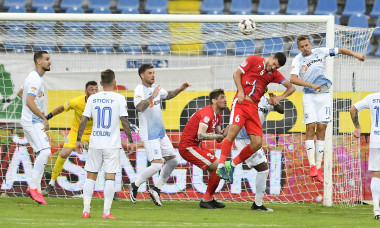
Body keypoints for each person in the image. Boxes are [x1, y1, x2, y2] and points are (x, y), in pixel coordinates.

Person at [290, 35, 365, 183]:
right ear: (298, 48)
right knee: (310, 127)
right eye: (302, 46)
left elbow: (340, 50)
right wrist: (311, 85)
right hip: (309, 96)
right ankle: (312, 165)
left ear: (310, 44)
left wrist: (356, 54)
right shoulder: (297, 59)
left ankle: (318, 168)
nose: (305, 48)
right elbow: (292, 79)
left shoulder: (320, 51)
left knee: (322, 130)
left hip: (324, 96)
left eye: (306, 45)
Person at [217, 52, 295, 184]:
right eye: (274, 64)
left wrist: (278, 98)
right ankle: (220, 167)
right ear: (271, 58)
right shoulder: (254, 60)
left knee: (257, 143)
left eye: (277, 67)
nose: (273, 68)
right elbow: (236, 73)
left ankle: (231, 165)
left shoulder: (274, 74)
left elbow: (291, 88)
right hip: (241, 103)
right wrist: (240, 91)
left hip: (253, 107)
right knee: (231, 134)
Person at [76, 69, 136, 219]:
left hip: (95, 142)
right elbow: (124, 121)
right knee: (110, 177)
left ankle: (86, 211)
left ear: (101, 83)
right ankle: (106, 212)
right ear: (115, 83)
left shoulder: (92, 98)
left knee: (90, 176)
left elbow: (83, 120)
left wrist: (78, 139)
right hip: (111, 144)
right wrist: (130, 141)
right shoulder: (119, 98)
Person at [129, 64, 190, 206]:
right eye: (149, 73)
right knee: (157, 165)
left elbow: (167, 95)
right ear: (142, 75)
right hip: (149, 135)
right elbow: (138, 107)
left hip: (161, 133)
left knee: (173, 161)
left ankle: (156, 189)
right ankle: (135, 185)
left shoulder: (154, 87)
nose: (152, 75)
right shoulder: (140, 89)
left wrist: (181, 89)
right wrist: (152, 96)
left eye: (153, 72)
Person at [42, 81, 98, 195]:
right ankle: (51, 184)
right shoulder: (76, 102)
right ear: (86, 91)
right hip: (76, 132)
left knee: (102, 157)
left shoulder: (101, 103)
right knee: (63, 154)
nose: (94, 92)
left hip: (94, 133)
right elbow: (61, 108)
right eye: (91, 89)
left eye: (96, 89)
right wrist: (47, 117)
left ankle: (111, 188)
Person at [235, 88, 283, 211]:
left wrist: (275, 103)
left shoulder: (266, 101)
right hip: (243, 139)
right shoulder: (244, 99)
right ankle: (257, 204)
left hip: (254, 140)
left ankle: (258, 204)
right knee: (263, 170)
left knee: (263, 170)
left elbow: (282, 111)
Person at [179, 89, 228, 209]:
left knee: (218, 169)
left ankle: (209, 199)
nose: (225, 100)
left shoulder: (218, 116)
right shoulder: (208, 114)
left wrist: (226, 131)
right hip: (188, 147)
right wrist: (219, 135)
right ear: (214, 100)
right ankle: (206, 200)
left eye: (225, 97)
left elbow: (218, 139)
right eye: (222, 97)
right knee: (219, 167)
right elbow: (200, 134)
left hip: (195, 146)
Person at [21, 51, 51, 205]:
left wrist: (38, 109)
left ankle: (37, 190)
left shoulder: (33, 77)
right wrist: (43, 117)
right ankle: (33, 187)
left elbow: (21, 93)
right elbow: (29, 102)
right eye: (46, 59)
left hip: (32, 119)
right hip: (32, 121)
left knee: (42, 152)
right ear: (38, 62)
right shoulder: (35, 79)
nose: (49, 62)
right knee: (45, 151)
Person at [350, 93, 380, 220]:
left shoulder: (372, 97)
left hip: (376, 140)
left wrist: (357, 127)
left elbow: (353, 109)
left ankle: (376, 209)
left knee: (377, 174)